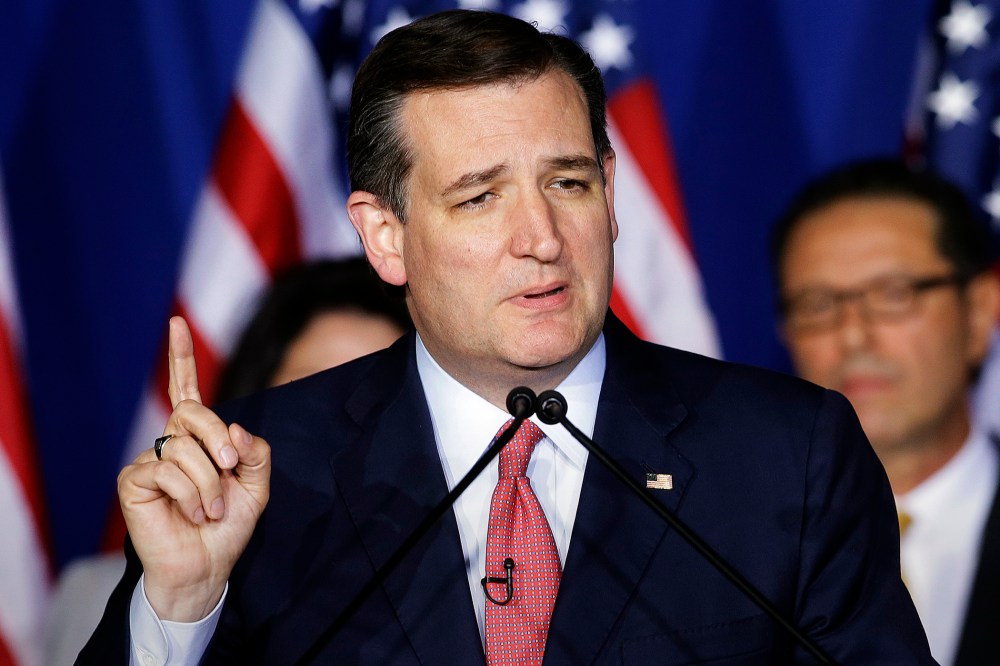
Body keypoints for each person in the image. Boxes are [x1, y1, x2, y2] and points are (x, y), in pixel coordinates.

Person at [81, 10, 932, 664]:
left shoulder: (790, 454)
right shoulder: (264, 470)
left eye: (567, 182)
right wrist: (184, 605)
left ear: (608, 188)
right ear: (385, 237)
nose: (542, 237)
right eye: (479, 197)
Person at [47, 258, 408, 665]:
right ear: (246, 423)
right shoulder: (103, 597)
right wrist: (181, 602)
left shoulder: (478, 594)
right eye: (312, 399)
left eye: (376, 407)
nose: (345, 438)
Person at [772, 158, 1000, 666]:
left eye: (894, 294)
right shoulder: (729, 542)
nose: (853, 335)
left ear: (981, 311)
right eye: (818, 303)